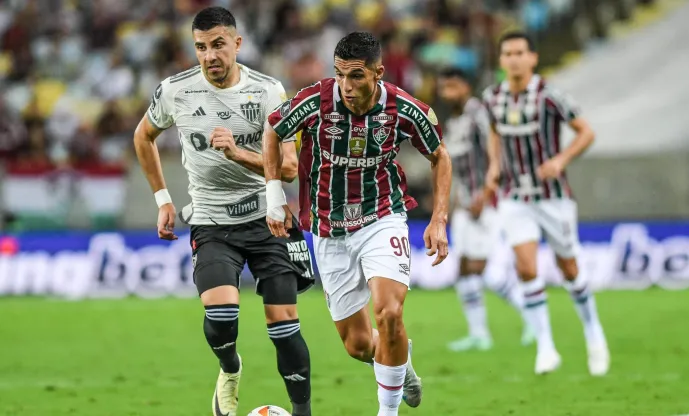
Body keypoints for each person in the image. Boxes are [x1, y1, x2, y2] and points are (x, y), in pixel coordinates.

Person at [132, 7, 314, 416]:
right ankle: (230, 369)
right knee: (221, 319)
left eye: (218, 45)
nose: (210, 55)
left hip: (268, 219)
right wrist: (163, 200)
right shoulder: (176, 90)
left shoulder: (268, 91)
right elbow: (143, 137)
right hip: (213, 223)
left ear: (237, 44)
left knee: (285, 331)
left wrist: (237, 152)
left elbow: (287, 168)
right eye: (200, 47)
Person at [262, 32, 452, 416]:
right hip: (329, 229)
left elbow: (439, 155)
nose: (346, 86)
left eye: (356, 76)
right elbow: (273, 129)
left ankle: (388, 411)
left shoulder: (404, 107)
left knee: (390, 312)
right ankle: (401, 360)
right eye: (340, 75)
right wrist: (274, 196)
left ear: (378, 73)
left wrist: (439, 218)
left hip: (382, 217)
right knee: (360, 345)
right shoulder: (315, 100)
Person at [482, 31, 609, 376]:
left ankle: (593, 332)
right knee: (526, 268)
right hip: (514, 196)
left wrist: (561, 160)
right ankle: (546, 347)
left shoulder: (549, 96)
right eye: (507, 53)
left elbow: (586, 132)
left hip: (553, 196)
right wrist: (495, 165)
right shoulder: (493, 98)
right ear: (501, 60)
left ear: (533, 58)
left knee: (569, 268)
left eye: (520, 52)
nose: (514, 59)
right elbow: (494, 131)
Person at [436, 67, 536, 352]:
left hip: (485, 202)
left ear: (466, 87)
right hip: (464, 205)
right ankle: (479, 334)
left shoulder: (478, 113)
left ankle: (533, 320)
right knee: (464, 269)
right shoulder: (451, 121)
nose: (448, 92)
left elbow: (498, 152)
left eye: (454, 86)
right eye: (444, 87)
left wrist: (488, 191)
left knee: (483, 270)